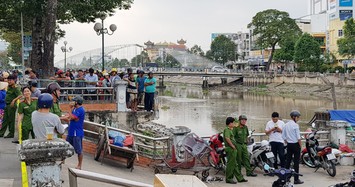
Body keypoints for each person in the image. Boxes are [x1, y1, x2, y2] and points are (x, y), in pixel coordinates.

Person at [282, 110, 303, 185]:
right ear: (294, 117)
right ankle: (296, 179)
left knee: (288, 162)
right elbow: (298, 138)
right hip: (295, 145)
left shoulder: (286, 125)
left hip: (289, 145)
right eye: (297, 117)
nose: (298, 119)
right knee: (296, 163)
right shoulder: (295, 125)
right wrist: (301, 146)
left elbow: (283, 136)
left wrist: (287, 141)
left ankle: (286, 178)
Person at [224, 117, 247, 184]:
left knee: (235, 164)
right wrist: (232, 146)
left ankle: (240, 178)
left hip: (233, 149)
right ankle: (229, 178)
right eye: (233, 122)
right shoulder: (227, 129)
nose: (234, 124)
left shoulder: (231, 129)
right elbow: (227, 138)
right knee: (230, 165)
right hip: (230, 149)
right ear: (230, 123)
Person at [66, 96, 85, 169]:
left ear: (76, 102)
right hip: (71, 131)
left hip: (77, 133)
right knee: (66, 147)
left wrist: (69, 109)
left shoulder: (81, 110)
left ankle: (79, 165)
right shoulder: (74, 109)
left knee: (79, 150)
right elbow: (70, 117)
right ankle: (63, 160)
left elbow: (73, 117)